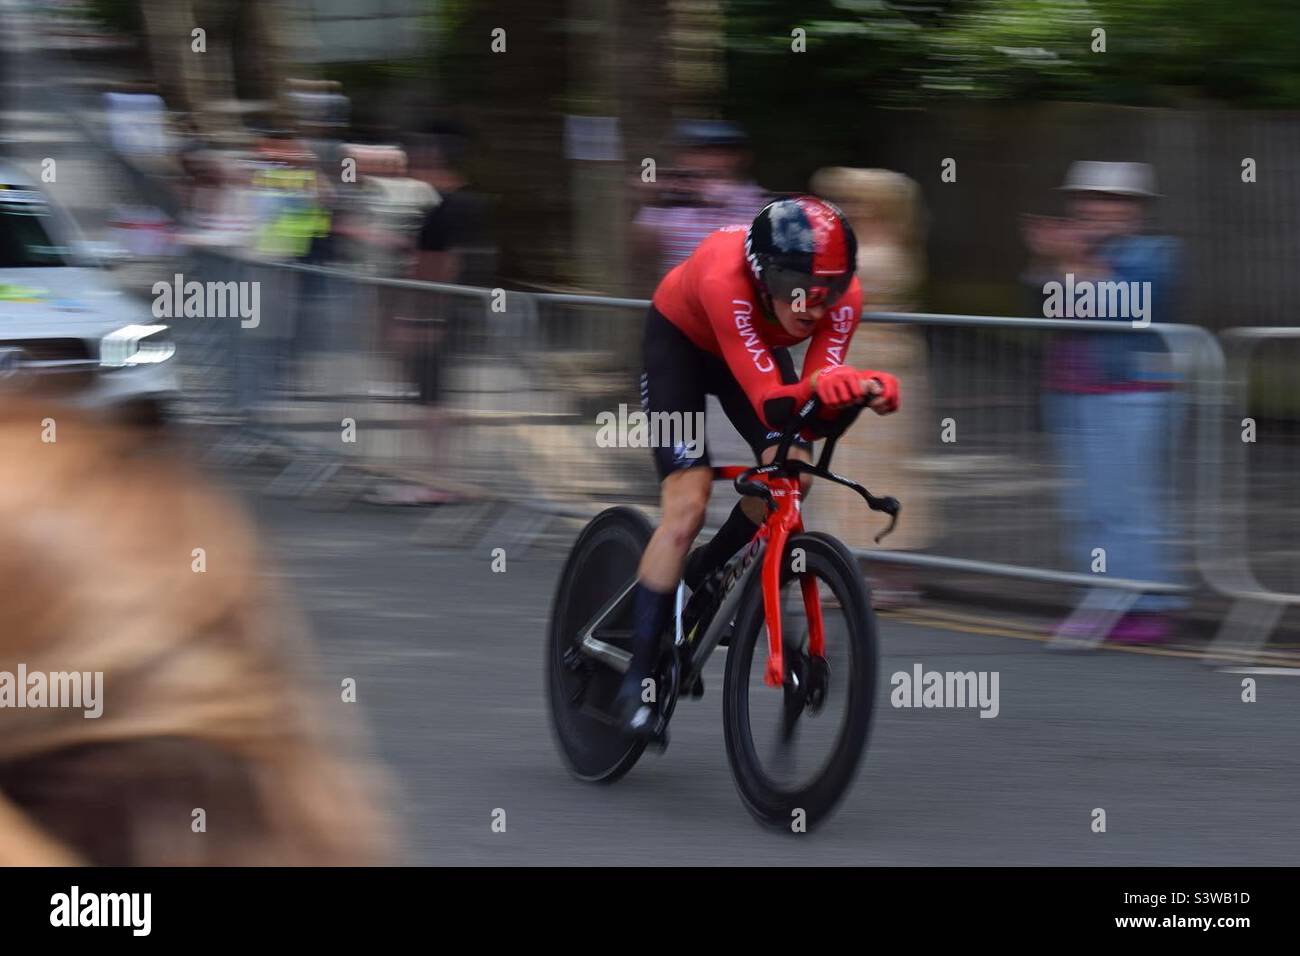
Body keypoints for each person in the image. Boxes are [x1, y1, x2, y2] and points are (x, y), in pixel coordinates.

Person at [618, 196, 902, 736]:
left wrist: (860, 390)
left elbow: (811, 412)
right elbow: (772, 396)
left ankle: (705, 570)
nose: (810, 308)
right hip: (681, 343)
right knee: (687, 503)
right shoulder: (726, 276)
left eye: (826, 295)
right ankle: (638, 677)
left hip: (748, 354)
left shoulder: (844, 299)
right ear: (760, 271)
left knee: (791, 466)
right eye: (795, 288)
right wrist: (823, 388)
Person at [1023, 161, 1184, 643]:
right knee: (1089, 505)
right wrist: (1048, 264)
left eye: (1113, 200)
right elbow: (1045, 307)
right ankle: (1103, 598)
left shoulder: (1156, 253)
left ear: (1137, 210)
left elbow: (1118, 307)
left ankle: (1149, 603)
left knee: (1128, 504)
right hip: (1073, 393)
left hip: (1130, 394)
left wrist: (1070, 260)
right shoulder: (1071, 256)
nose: (1098, 208)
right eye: (1089, 198)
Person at [809, 167, 935, 606]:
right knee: (844, 465)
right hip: (852, 367)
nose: (854, 207)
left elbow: (836, 289)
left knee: (881, 472)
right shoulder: (856, 244)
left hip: (881, 369)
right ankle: (850, 566)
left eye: (862, 200)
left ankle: (891, 572)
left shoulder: (883, 250)